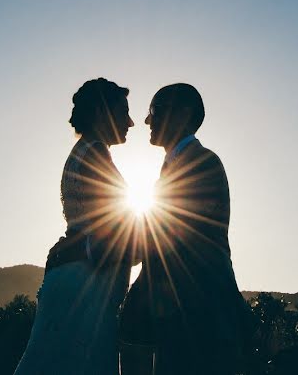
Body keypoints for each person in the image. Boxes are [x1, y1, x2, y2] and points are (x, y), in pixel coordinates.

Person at [119, 83, 250, 375]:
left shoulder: (201, 163)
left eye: (155, 110)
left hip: (200, 315)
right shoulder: (177, 166)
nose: (147, 121)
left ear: (183, 113)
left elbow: (165, 237)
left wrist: (95, 250)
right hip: (182, 316)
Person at [14, 78, 137, 375]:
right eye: (123, 112)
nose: (131, 122)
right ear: (100, 112)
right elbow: (115, 235)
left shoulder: (85, 153)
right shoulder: (95, 155)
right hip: (85, 286)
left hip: (76, 280)